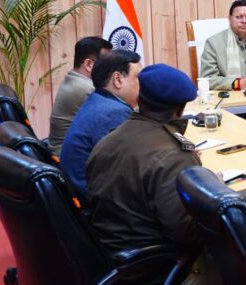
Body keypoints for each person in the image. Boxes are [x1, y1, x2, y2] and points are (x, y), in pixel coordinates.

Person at [86, 64, 201, 254]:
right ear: (180, 110)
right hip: (155, 261)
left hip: (107, 250)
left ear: (140, 99)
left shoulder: (106, 141)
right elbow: (187, 236)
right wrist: (210, 197)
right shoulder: (174, 156)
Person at [61, 50, 141, 199]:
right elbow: (129, 169)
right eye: (138, 78)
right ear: (118, 79)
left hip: (84, 191)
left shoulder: (98, 99)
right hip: (97, 201)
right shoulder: (114, 112)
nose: (143, 84)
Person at [48, 37, 112, 155]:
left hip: (62, 151)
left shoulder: (74, 79)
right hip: (68, 156)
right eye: (107, 64)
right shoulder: (87, 88)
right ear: (89, 64)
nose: (111, 70)